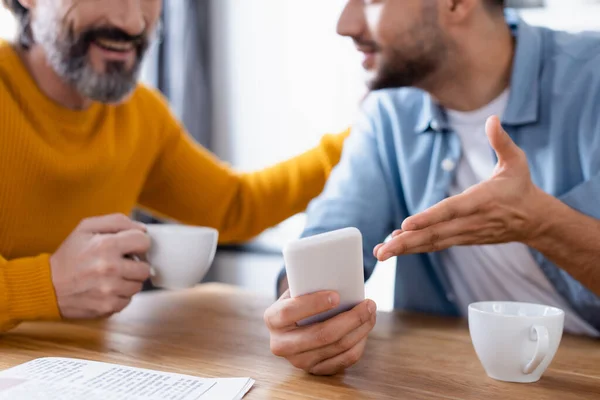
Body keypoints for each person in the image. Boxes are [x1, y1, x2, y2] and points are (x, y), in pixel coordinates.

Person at [264, 0, 600, 376]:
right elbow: (324, 242)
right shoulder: (388, 111)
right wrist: (298, 315)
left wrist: (542, 223)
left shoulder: (592, 79)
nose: (345, 24)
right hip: (457, 378)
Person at [0, 0, 349, 332]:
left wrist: (365, 134)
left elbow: (235, 206)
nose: (133, 22)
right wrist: (48, 285)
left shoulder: (140, 116)